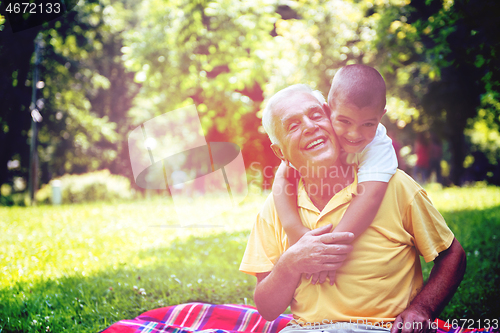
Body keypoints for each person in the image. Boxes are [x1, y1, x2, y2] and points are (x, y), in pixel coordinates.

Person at [239, 83, 466, 332]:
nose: (310, 126)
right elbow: (267, 309)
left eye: (316, 115)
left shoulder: (394, 185)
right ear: (280, 152)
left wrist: (422, 309)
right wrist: (291, 262)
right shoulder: (276, 208)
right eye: (293, 125)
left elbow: (452, 255)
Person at [272, 65, 397, 285]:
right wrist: (295, 231)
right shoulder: (323, 134)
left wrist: (327, 252)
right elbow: (283, 175)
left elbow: (369, 199)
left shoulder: (378, 146)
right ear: (328, 110)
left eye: (368, 123)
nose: (354, 134)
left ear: (381, 117)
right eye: (345, 122)